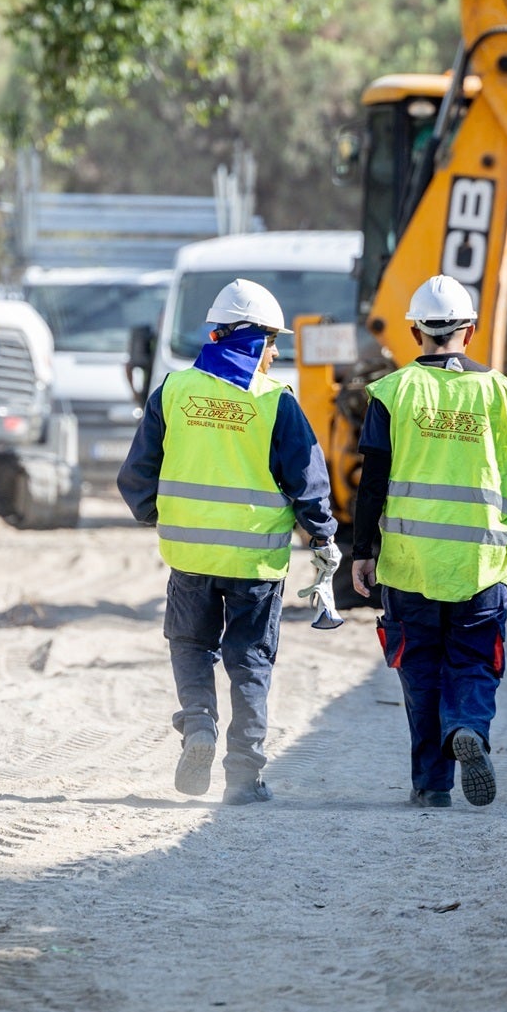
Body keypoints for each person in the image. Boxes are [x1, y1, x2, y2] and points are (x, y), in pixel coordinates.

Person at [118, 279, 340, 804]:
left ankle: (199, 725)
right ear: (254, 341)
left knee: (190, 646)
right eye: (272, 342)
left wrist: (163, 516)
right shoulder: (275, 402)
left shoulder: (173, 391)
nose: (276, 353)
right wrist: (322, 535)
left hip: (190, 556)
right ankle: (243, 776)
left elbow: (136, 476)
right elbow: (307, 483)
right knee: (250, 661)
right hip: (255, 562)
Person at [351, 275, 507, 808]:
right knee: (474, 661)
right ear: (470, 330)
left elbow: (371, 482)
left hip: (410, 565)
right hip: (480, 566)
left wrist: (361, 551)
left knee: (420, 671)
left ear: (415, 331)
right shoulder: (498, 391)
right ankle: (467, 725)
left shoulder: (394, 392)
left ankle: (431, 786)